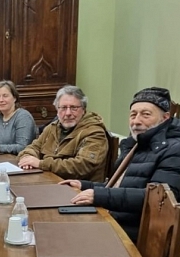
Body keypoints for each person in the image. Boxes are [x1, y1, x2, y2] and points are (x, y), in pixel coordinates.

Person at [60, 87, 180, 243]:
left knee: (64, 237)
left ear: (165, 118)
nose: (136, 121)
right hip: (115, 219)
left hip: (137, 234)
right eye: (133, 114)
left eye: (146, 114)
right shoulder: (136, 143)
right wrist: (83, 185)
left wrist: (98, 196)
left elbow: (158, 199)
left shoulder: (174, 149)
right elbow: (120, 187)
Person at [17, 85, 109, 182]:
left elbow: (82, 166)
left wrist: (41, 164)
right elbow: (33, 147)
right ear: (57, 110)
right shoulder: (52, 128)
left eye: (74, 108)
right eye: (63, 108)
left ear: (83, 110)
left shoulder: (95, 132)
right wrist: (27, 159)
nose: (68, 113)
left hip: (78, 190)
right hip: (49, 182)